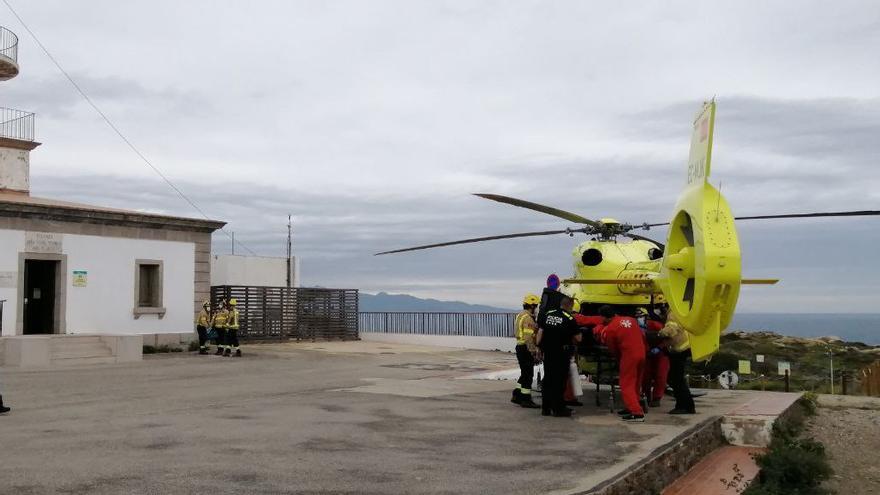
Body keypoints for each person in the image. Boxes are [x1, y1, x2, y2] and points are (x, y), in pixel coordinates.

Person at [600, 305, 647, 422]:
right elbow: (642, 336)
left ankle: (636, 412)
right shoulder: (631, 320)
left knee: (626, 383)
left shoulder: (611, 328)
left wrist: (618, 358)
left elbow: (612, 347)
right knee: (636, 382)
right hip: (641, 353)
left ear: (605, 318)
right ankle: (631, 406)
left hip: (629, 356)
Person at [536, 296, 581, 417]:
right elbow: (578, 338)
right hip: (562, 354)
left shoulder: (548, 314)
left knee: (548, 379)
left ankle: (546, 408)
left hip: (548, 353)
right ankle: (558, 409)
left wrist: (538, 347)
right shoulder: (569, 318)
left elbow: (540, 332)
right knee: (559, 381)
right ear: (570, 306)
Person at [660, 320, 696, 414]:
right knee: (678, 379)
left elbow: (671, 329)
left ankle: (682, 406)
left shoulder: (673, 313)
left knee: (676, 379)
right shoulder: (680, 311)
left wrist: (660, 333)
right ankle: (689, 406)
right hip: (683, 348)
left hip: (678, 351)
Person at [512, 294, 541, 408]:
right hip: (525, 348)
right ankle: (525, 399)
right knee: (528, 374)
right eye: (536, 306)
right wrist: (533, 351)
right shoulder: (528, 318)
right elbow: (528, 337)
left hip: (520, 347)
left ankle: (517, 394)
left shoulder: (521, 315)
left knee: (524, 373)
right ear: (532, 306)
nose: (537, 308)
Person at [638, 307, 669, 408]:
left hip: (661, 352)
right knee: (645, 376)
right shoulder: (636, 327)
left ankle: (657, 398)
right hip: (647, 353)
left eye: (641, 317)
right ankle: (646, 395)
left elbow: (667, 339)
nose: (639, 319)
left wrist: (658, 348)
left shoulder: (655, 325)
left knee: (661, 375)